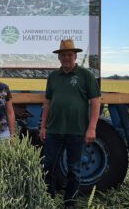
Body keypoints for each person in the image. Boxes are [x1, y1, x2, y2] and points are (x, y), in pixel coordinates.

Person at [39, 39, 101, 208]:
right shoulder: (53, 77)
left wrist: (92, 128)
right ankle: (48, 199)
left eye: (69, 55)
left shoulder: (85, 75)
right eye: (63, 55)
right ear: (59, 58)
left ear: (75, 56)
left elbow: (95, 102)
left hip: (77, 131)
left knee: (74, 170)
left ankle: (69, 202)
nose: (66, 58)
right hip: (53, 130)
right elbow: (47, 103)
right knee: (48, 166)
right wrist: (43, 126)